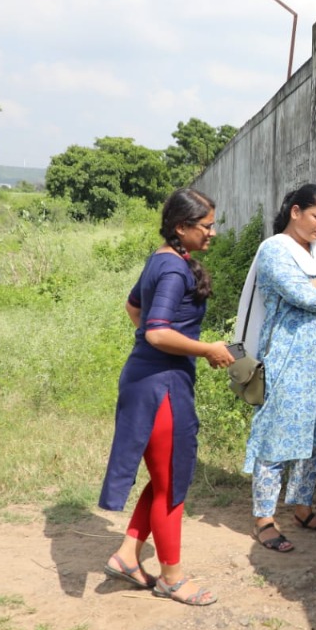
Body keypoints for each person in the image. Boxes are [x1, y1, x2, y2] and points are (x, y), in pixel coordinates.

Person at [98, 187, 232, 607]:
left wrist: (177, 345)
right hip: (161, 387)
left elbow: (133, 307)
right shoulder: (174, 271)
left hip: (145, 377)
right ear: (181, 227)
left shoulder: (162, 259)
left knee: (162, 477)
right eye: (206, 226)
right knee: (172, 482)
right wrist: (206, 348)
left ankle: (126, 556)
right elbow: (155, 330)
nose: (212, 233)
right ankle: (172, 577)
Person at [237, 183, 316, 552]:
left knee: (314, 438)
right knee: (278, 437)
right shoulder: (274, 250)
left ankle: (303, 508)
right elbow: (303, 296)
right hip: (289, 361)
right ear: (295, 211)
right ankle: (264, 518)